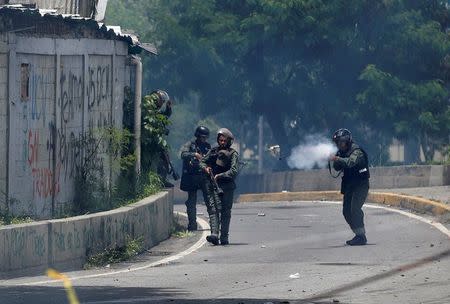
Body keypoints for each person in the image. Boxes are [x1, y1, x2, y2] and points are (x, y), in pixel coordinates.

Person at [330, 128, 370, 246]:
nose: (340, 145)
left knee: (355, 209)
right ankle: (358, 234)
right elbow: (337, 168)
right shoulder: (340, 153)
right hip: (349, 185)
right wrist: (335, 159)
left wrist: (336, 158)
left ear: (348, 141)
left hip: (361, 185)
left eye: (342, 142)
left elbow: (350, 162)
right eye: (338, 143)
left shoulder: (357, 151)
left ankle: (361, 236)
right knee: (346, 211)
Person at [200, 128, 239, 245]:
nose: (222, 142)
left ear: (229, 142)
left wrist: (220, 175)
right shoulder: (213, 151)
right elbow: (202, 161)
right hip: (213, 185)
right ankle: (214, 234)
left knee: (226, 212)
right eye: (220, 140)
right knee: (213, 209)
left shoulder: (233, 154)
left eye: (224, 141)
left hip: (227, 186)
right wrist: (205, 168)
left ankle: (224, 237)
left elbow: (234, 170)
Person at [142, 89, 177, 187]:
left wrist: (168, 108)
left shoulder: (154, 111)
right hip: (150, 141)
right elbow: (154, 124)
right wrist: (163, 130)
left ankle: (161, 180)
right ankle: (158, 181)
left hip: (155, 140)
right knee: (161, 159)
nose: (162, 103)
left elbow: (163, 117)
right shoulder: (149, 111)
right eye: (161, 101)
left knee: (165, 158)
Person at [180, 126, 211, 231]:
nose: (204, 139)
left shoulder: (207, 146)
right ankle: (192, 224)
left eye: (205, 137)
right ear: (197, 136)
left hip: (203, 176)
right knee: (191, 202)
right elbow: (183, 154)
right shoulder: (190, 144)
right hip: (192, 176)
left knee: (209, 200)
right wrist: (194, 154)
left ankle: (214, 224)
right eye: (202, 137)